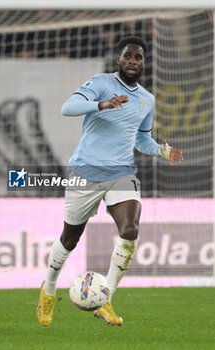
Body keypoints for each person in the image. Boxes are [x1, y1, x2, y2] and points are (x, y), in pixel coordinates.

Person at [37, 36, 183, 326]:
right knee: (70, 239)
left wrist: (163, 150)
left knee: (130, 230)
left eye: (138, 57)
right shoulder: (101, 82)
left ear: (144, 62)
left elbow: (142, 139)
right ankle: (49, 289)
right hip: (85, 172)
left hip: (121, 173)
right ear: (119, 59)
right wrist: (100, 105)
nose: (133, 61)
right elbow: (67, 108)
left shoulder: (146, 99)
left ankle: (107, 299)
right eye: (128, 56)